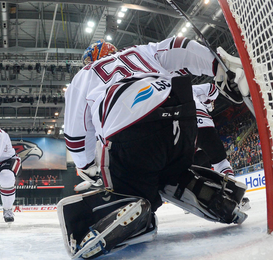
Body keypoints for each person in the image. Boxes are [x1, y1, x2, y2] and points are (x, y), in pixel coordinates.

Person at [60, 38, 250, 258]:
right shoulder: (140, 51)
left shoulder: (84, 76)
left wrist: (85, 165)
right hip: (182, 118)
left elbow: (76, 134)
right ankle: (199, 188)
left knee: (127, 187)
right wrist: (218, 67)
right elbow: (180, 46)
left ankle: (131, 205)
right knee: (170, 172)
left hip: (130, 126)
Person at [191, 83, 250, 210]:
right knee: (220, 162)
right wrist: (207, 102)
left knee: (185, 168)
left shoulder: (164, 90)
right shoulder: (191, 88)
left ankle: (190, 196)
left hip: (181, 129)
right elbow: (212, 89)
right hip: (203, 125)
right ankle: (234, 196)